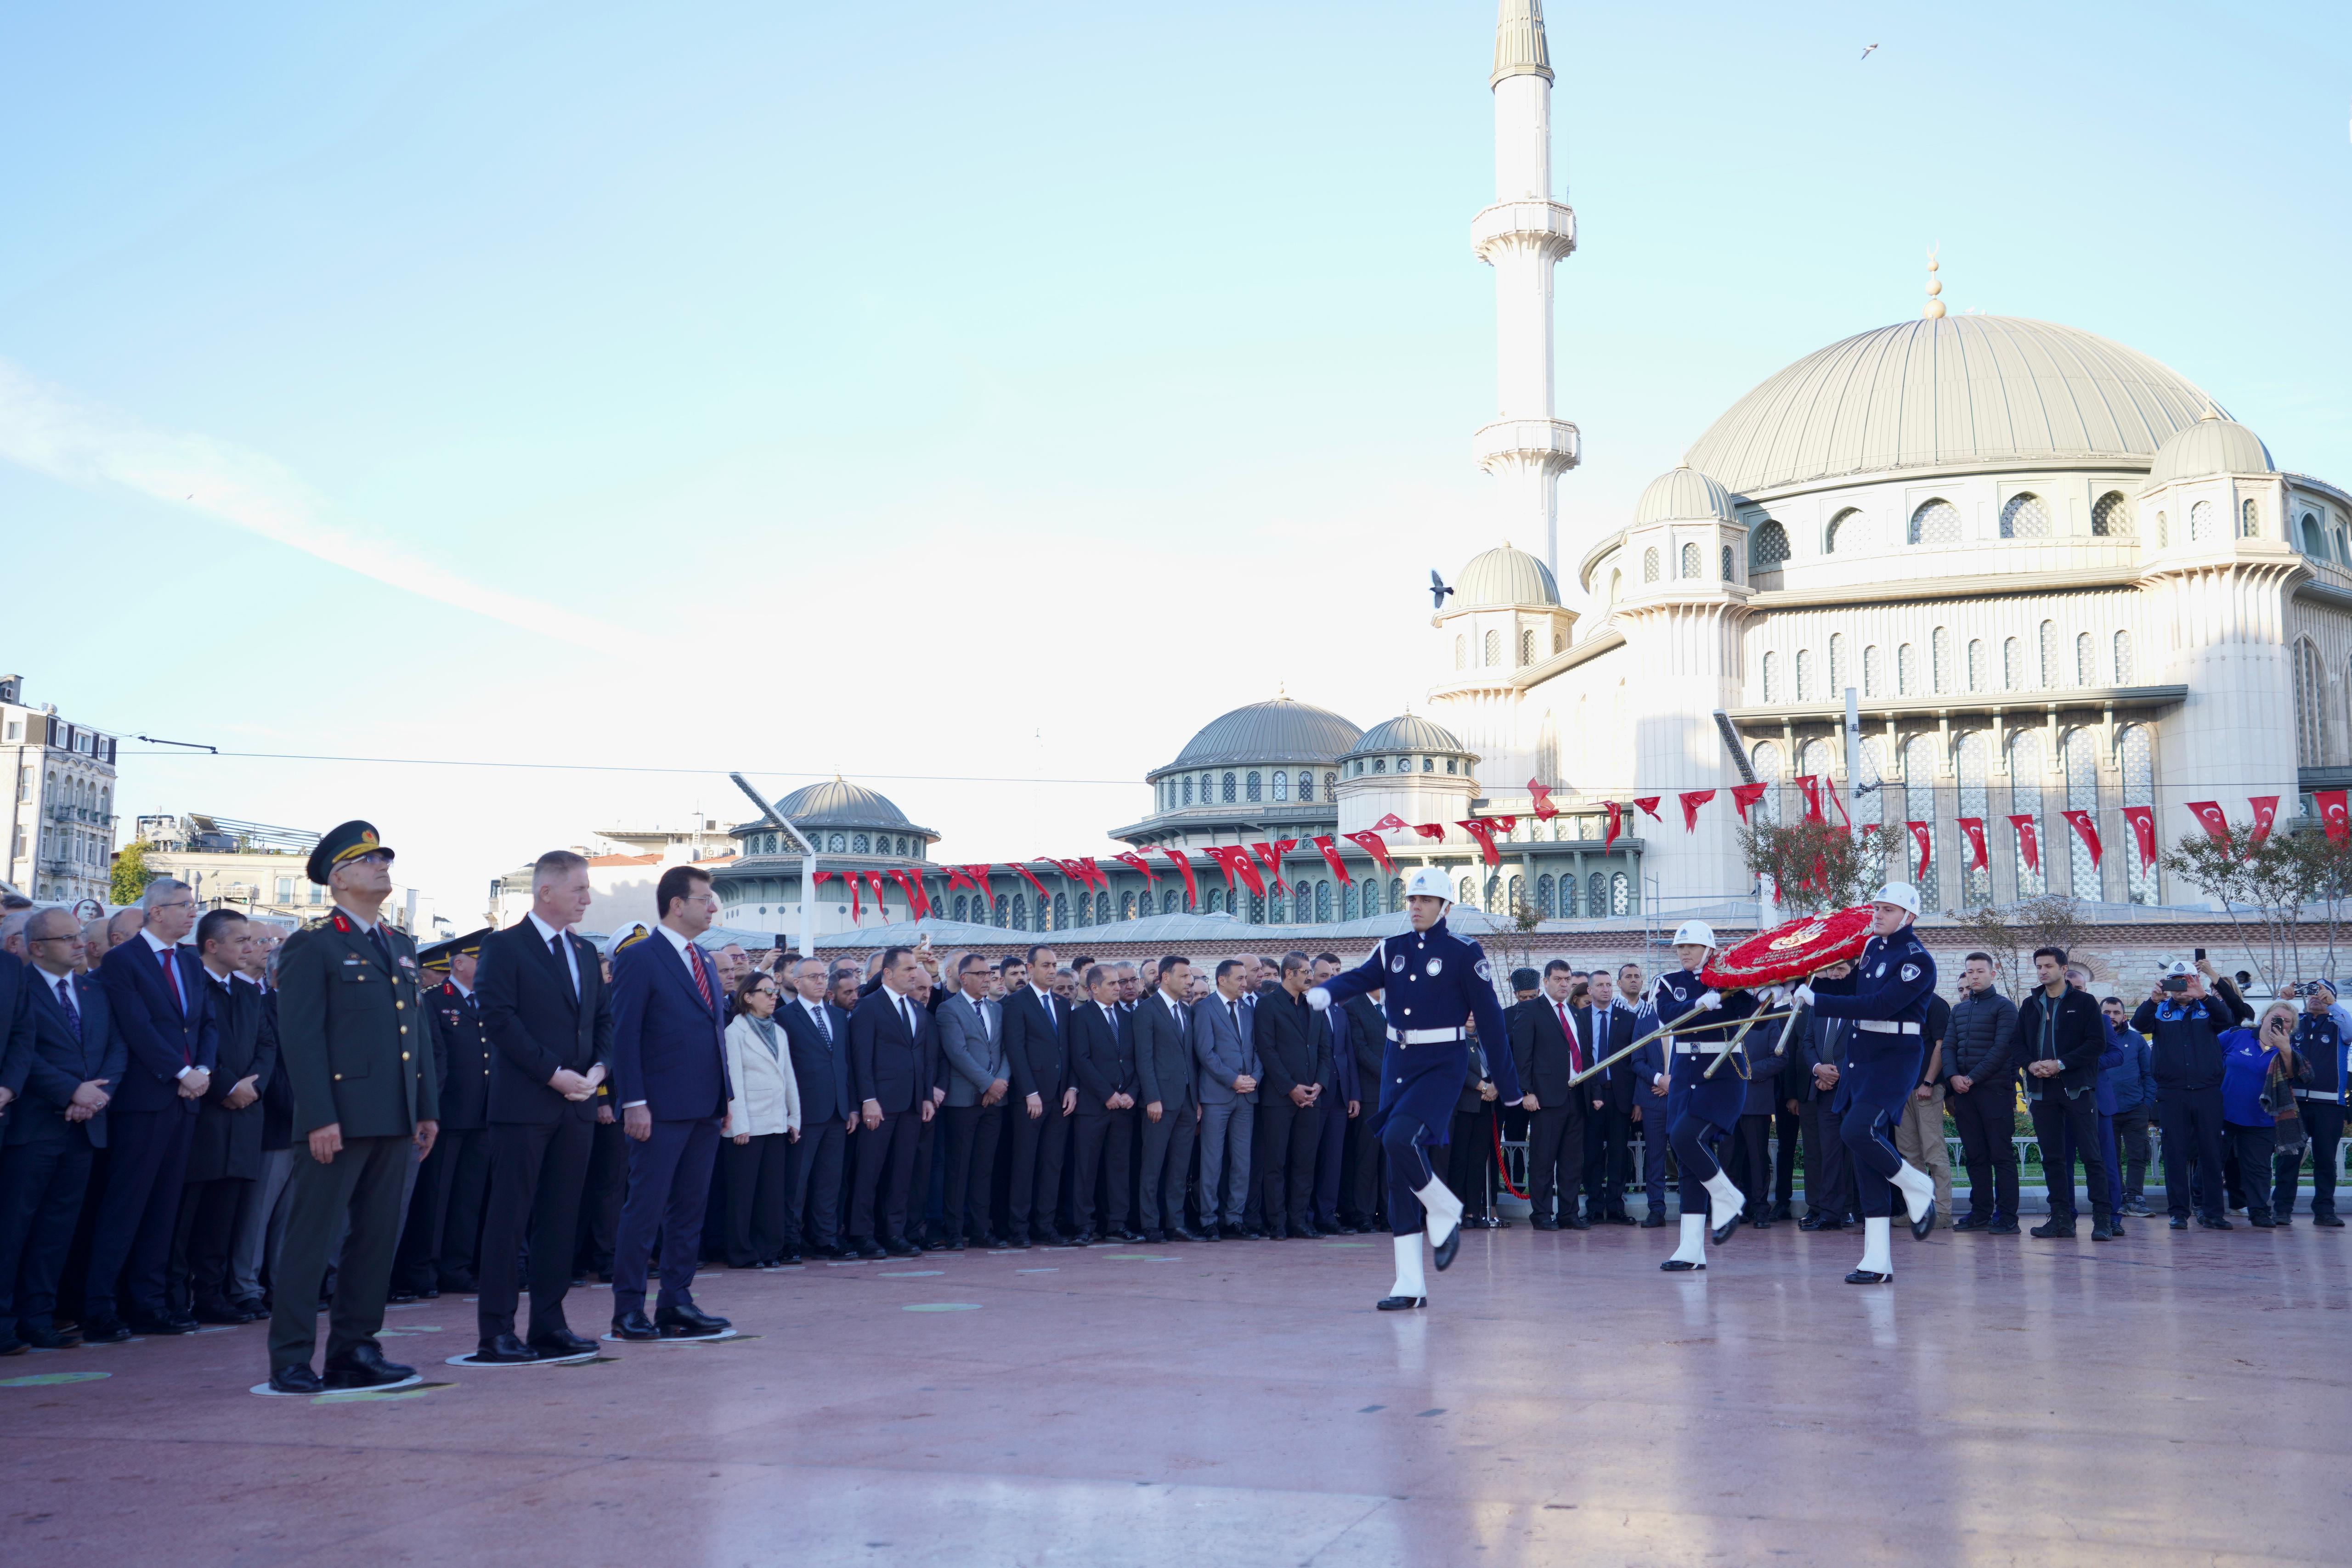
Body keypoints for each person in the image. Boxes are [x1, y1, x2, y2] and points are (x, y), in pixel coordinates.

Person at [266, 821, 440, 1393]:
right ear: (338, 878)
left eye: (384, 857)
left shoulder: (399, 944)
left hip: (392, 1116)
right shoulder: (312, 944)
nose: (382, 865)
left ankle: (355, 1349)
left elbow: (415, 1035)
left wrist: (425, 1107)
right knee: (311, 1241)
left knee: (374, 1241)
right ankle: (292, 1357)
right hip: (336, 1117)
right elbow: (302, 1039)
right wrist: (318, 1115)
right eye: (368, 860)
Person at [1307, 866, 1521, 1311]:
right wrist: (1326, 992)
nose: (1415, 908)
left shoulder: (1464, 951)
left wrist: (1508, 1084)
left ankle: (1443, 1209)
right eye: (1411, 900)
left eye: (1424, 901)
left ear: (1445, 907)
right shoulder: (1392, 948)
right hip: (1396, 1062)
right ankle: (1409, 1283)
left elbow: (1492, 1022)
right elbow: (1360, 979)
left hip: (1442, 1064)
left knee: (1398, 1138)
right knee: (1395, 1171)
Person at [472, 852, 611, 1362]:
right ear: (546, 891)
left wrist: (598, 1072)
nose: (587, 899)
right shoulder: (504, 946)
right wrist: (552, 1073)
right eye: (578, 889)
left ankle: (549, 1325)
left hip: (576, 1104)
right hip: (525, 1103)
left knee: (560, 1218)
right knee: (509, 1220)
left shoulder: (582, 950)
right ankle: (497, 1331)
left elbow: (603, 1020)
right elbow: (498, 1017)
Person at [85, 879, 217, 1342]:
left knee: (165, 1208)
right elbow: (136, 1028)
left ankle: (149, 1302)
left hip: (186, 1101)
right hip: (145, 1101)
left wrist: (201, 1067)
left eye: (194, 907)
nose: (192, 915)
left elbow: (205, 1024)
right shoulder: (123, 961)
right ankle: (100, 1306)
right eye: (185, 907)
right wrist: (181, 1074)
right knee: (125, 1205)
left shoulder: (187, 961)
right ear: (157, 912)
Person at [608, 867, 734, 1338]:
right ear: (676, 905)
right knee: (644, 1209)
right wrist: (633, 1101)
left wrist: (726, 1098)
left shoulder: (702, 958)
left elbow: (714, 1033)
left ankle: (677, 1302)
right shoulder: (641, 958)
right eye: (705, 899)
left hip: (704, 1105)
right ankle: (628, 1309)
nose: (713, 907)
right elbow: (626, 1034)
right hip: (658, 1107)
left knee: (689, 1210)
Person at [1795, 884, 1942, 1283]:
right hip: (1862, 1057)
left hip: (1893, 1058)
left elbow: (1879, 1004)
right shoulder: (1873, 948)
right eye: (1877, 907)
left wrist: (1818, 1002)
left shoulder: (1917, 961)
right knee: (1865, 1159)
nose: (1878, 914)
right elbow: (1852, 989)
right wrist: (1801, 989)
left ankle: (1917, 1185)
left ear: (1909, 917)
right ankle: (1876, 1260)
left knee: (1856, 1130)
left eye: (1888, 909)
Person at [0, 908, 122, 1354]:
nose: (79, 944)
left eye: (79, 936)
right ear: (37, 949)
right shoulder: (20, 987)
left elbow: (115, 1046)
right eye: (66, 938)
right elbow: (22, 1051)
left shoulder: (93, 989)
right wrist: (72, 1092)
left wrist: (96, 1097)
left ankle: (38, 1319)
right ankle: (4, 1322)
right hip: (34, 1127)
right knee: (14, 1229)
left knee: (57, 1231)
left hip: (85, 1129)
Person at [174, 910, 276, 1323]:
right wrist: (228, 1087)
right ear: (212, 946)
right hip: (206, 1117)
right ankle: (175, 1296)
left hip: (244, 1118)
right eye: (241, 941)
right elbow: (198, 1047)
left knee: (225, 1216)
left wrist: (252, 1086)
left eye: (252, 940)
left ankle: (213, 1295)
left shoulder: (250, 993)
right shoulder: (192, 987)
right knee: (187, 1217)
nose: (251, 949)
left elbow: (267, 1045)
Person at [398, 929, 491, 1296]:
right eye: (482, 960)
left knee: (468, 1198)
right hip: (448, 1114)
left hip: (482, 1116)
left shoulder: (487, 1001)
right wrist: (430, 1111)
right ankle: (422, 1269)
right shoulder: (436, 1001)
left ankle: (457, 1266)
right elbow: (435, 1062)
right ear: (459, 964)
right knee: (435, 1197)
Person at [845, 945, 938, 1260]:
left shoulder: (917, 1010)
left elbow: (925, 1058)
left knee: (902, 1173)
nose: (915, 974)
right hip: (880, 1105)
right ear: (888, 973)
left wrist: (926, 1096)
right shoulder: (869, 1007)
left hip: (912, 1104)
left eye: (916, 969)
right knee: (870, 1172)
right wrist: (868, 1099)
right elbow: (861, 1057)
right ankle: (862, 1234)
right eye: (908, 969)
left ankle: (895, 1233)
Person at [2132, 960, 2233, 1230]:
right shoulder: (2160, 1009)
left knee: (2211, 1153)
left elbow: (2227, 1021)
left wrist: (2203, 996)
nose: (2181, 986)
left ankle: (2213, 1212)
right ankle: (2178, 1212)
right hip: (2172, 1092)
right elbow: (2138, 1026)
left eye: (2186, 979)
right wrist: (2152, 1000)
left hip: (2207, 1091)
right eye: (2175, 981)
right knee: (2175, 1153)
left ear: (2195, 980)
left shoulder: (2207, 1007)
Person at [720, 970, 800, 1269]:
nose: (773, 996)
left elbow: (788, 1076)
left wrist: (795, 1118)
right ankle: (741, 1252)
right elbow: (734, 1081)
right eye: (766, 992)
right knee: (743, 1194)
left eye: (774, 991)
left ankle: (769, 1250)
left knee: (771, 1191)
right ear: (748, 997)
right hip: (748, 1125)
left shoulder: (778, 1030)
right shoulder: (734, 1031)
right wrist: (739, 1124)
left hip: (776, 1122)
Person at [777, 956, 853, 1260]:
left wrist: (853, 1107)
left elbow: (846, 1063)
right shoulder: (784, 1017)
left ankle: (825, 1238)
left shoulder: (837, 1017)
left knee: (829, 1180)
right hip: (805, 1111)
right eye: (813, 977)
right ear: (797, 982)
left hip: (837, 1110)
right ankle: (790, 1241)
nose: (821, 981)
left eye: (823, 976)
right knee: (796, 1181)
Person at [1254, 953, 1332, 1240]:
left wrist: (1319, 1085)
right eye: (1305, 972)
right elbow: (1267, 1051)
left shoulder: (1315, 1006)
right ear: (1289, 974)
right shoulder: (1267, 1006)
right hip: (1279, 1098)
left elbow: (1325, 1050)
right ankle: (1277, 1222)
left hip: (1313, 1097)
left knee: (1305, 1160)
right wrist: (1291, 1088)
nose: (1310, 977)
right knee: (1276, 1161)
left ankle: (1299, 1220)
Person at [934, 953, 1009, 1251]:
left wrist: (1000, 1083)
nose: (986, 979)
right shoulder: (948, 1010)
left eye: (988, 974)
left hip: (994, 1102)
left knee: (984, 1168)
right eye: (979, 974)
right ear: (963, 978)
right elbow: (958, 1053)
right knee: (959, 1167)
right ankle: (954, 1231)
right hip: (964, 1102)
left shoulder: (997, 1009)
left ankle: (981, 1230)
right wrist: (988, 1082)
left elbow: (1005, 1050)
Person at [999, 946, 1072, 1248]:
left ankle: (1046, 1225)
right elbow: (1016, 1050)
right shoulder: (1016, 1003)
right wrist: (1030, 1091)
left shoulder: (1062, 1003)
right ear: (1030, 969)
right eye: (1046, 965)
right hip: (1030, 1098)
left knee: (1052, 1163)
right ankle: (1019, 1227)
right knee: (1025, 1163)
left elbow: (1068, 1050)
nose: (1052, 970)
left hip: (1060, 1097)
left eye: (1055, 964)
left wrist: (1072, 1088)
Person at [1943, 952, 2020, 1233]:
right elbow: (1948, 1046)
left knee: (2001, 1156)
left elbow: (2002, 1050)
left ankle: (2008, 1218)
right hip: (1964, 1093)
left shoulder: (2005, 1007)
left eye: (1980, 971)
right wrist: (1953, 1077)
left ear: (1992, 974)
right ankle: (1980, 1213)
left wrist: (1972, 1078)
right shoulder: (1959, 1010)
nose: (1974, 976)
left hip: (1994, 1091)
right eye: (1970, 972)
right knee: (1975, 1156)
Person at [1510, 960, 1589, 1231]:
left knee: (1571, 1160)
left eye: (1568, 979)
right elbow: (1522, 1055)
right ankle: (1542, 1214)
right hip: (1544, 1098)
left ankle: (1569, 1213)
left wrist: (1594, 1092)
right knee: (1543, 1159)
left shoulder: (1576, 1013)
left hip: (1576, 1096)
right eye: (1558, 979)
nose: (1564, 984)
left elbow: (1586, 1055)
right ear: (1545, 982)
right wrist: (1526, 1092)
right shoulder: (1531, 1009)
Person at [1066, 963, 1140, 1246]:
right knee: (1087, 1168)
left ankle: (1117, 1224)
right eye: (1111, 984)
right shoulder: (1081, 1017)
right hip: (1094, 1106)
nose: (1118, 988)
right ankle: (1084, 1225)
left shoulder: (1128, 1016)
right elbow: (1081, 1060)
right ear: (1094, 988)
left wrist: (1131, 1092)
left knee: (1119, 1167)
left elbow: (1134, 1059)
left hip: (1124, 1105)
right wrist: (1107, 1094)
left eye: (1119, 984)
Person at [1132, 954, 1201, 1244]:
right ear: (1165, 978)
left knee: (1180, 1166)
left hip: (1186, 1101)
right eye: (1184, 977)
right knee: (1153, 1165)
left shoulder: (1185, 1011)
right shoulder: (1147, 1011)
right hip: (1159, 1102)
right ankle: (1150, 1224)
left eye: (1191, 977)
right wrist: (1152, 1098)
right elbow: (1144, 1058)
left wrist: (1196, 1099)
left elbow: (1190, 1058)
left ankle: (1176, 1223)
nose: (1190, 982)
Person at [1192, 958, 1260, 1240]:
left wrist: (1255, 1077)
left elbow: (1256, 1048)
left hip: (1246, 1096)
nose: (1245, 983)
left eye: (1246, 978)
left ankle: (1235, 1218)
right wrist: (1233, 1080)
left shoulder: (1247, 1008)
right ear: (1222, 980)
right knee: (1212, 1160)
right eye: (1240, 979)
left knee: (1242, 1162)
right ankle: (1209, 1219)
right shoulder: (1204, 1009)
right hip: (1217, 1097)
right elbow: (1205, 1053)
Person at [2217, 1002, 2303, 1227]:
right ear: (2264, 1017)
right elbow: (2208, 1054)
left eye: (2286, 1021)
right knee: (2213, 1160)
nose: (2279, 1023)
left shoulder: (2289, 1049)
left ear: (2291, 1028)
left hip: (2262, 1119)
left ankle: (2259, 1212)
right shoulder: (2238, 1036)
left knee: (2259, 1169)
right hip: (2224, 1114)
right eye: (2276, 1017)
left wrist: (2285, 1049)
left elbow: (2297, 1075)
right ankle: (2205, 1207)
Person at [1793, 965, 1856, 1230]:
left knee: (1855, 1153)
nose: (1835, 976)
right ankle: (1829, 1213)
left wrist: (1837, 1073)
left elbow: (1862, 1043)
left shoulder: (1859, 1006)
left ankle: (1855, 1210)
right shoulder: (1817, 1007)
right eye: (1831, 971)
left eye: (1841, 970)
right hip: (1824, 1091)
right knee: (1828, 1153)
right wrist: (1819, 1069)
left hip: (1852, 1090)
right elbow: (1807, 1043)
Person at [2282, 981, 2346, 1226]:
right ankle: (2282, 1209)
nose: (2315, 997)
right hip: (2294, 1101)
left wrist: (2334, 1005)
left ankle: (2324, 1212)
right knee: (2288, 1157)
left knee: (2325, 1159)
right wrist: (2284, 1000)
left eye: (2321, 993)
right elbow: (2266, 1034)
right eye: (2311, 993)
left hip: (2329, 1104)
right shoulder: (2295, 1020)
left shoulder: (2338, 1024)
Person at [1892, 981, 1954, 1230]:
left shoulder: (1936, 1004)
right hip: (1901, 1089)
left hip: (1926, 1088)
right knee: (1909, 1156)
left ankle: (1943, 1212)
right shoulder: (1899, 1005)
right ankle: (1917, 1212)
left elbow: (1941, 1045)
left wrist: (1928, 1081)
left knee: (1934, 1153)